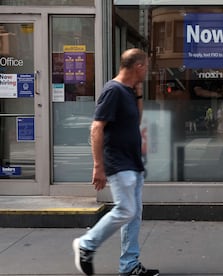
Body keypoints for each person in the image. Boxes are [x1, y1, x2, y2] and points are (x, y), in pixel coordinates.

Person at [72, 48, 159, 276]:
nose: (148, 71)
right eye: (146, 66)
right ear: (138, 66)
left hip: (133, 161)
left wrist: (138, 94)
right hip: (118, 162)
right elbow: (97, 127)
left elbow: (135, 121)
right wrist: (98, 165)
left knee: (133, 215)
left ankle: (129, 266)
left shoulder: (129, 92)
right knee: (125, 210)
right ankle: (86, 245)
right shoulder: (113, 90)